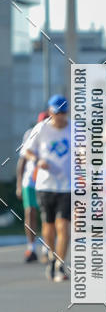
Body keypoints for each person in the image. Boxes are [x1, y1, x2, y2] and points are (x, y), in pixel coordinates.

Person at [23, 95, 72, 283]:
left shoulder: (75, 129)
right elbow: (27, 151)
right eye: (56, 113)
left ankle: (60, 263)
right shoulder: (41, 128)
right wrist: (37, 160)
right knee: (49, 226)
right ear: (50, 112)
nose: (60, 117)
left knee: (63, 225)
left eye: (63, 113)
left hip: (67, 186)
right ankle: (51, 257)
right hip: (45, 185)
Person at [16, 111, 48, 263]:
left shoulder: (56, 135)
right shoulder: (30, 134)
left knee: (47, 215)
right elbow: (22, 160)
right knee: (30, 212)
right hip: (30, 181)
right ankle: (31, 248)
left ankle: (46, 248)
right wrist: (18, 184)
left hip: (47, 182)